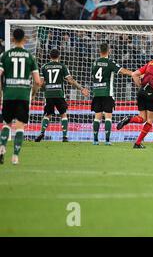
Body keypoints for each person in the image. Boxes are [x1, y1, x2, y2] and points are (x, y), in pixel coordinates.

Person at [0, 28, 41, 165]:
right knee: (19, 126)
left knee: (6, 124)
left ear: (12, 39)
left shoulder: (5, 55)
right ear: (24, 39)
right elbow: (37, 81)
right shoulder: (30, 57)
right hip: (23, 95)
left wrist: (1, 91)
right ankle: (15, 157)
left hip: (8, 95)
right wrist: (33, 94)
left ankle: (2, 148)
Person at [116, 48, 153, 149]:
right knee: (150, 120)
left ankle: (129, 119)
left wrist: (140, 87)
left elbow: (134, 74)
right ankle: (137, 143)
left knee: (142, 118)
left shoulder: (151, 62)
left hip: (141, 92)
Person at [35, 49, 89, 142]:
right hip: (59, 94)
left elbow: (41, 83)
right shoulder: (62, 66)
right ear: (59, 56)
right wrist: (81, 88)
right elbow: (70, 80)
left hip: (49, 95)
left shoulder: (44, 67)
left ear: (50, 56)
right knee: (63, 114)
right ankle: (64, 136)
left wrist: (39, 90)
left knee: (47, 115)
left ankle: (42, 132)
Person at [91, 43, 133, 145]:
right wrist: (133, 73)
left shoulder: (95, 63)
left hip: (96, 93)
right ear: (108, 51)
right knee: (108, 117)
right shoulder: (110, 62)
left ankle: (95, 140)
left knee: (97, 117)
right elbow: (122, 71)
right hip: (107, 93)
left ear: (99, 51)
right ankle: (107, 140)